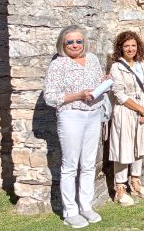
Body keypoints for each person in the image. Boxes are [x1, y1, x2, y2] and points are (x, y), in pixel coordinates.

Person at [43, 25, 106, 228]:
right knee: (70, 165)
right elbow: (50, 97)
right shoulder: (58, 64)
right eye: (70, 42)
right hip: (71, 116)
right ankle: (70, 210)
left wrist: (104, 83)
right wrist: (78, 95)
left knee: (88, 163)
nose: (75, 45)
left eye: (78, 41)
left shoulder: (94, 60)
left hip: (94, 114)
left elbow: (97, 85)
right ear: (63, 44)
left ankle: (86, 205)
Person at [109, 31, 144, 206]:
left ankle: (135, 182)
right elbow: (119, 94)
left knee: (140, 146)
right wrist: (141, 109)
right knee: (124, 147)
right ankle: (120, 187)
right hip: (125, 111)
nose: (130, 49)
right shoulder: (116, 67)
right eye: (127, 46)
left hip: (143, 110)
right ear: (121, 48)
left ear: (138, 47)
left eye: (133, 45)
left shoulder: (141, 65)